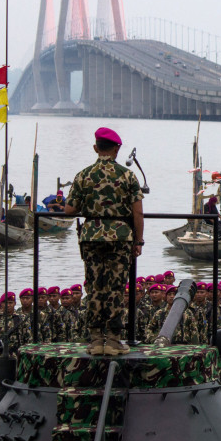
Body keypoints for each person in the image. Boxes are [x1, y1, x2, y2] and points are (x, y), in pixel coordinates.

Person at [63, 127, 144, 356]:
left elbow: (70, 210)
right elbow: (137, 213)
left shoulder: (83, 175)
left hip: (91, 236)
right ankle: (114, 341)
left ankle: (96, 340)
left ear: (95, 148)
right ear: (117, 149)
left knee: (95, 286)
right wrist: (138, 241)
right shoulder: (127, 176)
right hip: (120, 237)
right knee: (116, 288)